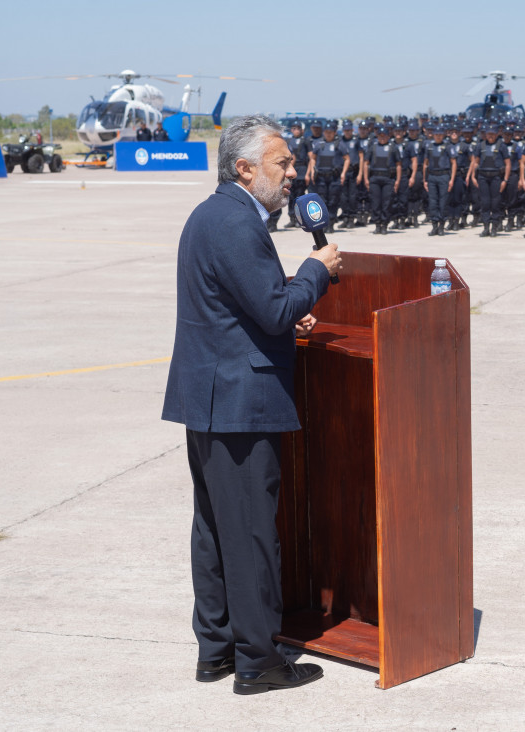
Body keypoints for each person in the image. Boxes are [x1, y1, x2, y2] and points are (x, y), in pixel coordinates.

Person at [161, 114, 341, 695]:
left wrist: (289, 301)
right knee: (251, 534)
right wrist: (315, 273)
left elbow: (248, 305)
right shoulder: (236, 221)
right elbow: (269, 311)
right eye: (282, 163)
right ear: (245, 167)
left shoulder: (218, 214)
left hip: (214, 393)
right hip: (238, 399)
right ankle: (258, 660)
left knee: (216, 529)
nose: (293, 173)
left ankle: (217, 649)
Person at [468, 125, 511, 237]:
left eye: (493, 134)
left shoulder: (501, 145)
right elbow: (475, 162)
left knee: (495, 203)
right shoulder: (480, 145)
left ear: (497, 134)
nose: (490, 136)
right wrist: (473, 176)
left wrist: (505, 180)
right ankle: (486, 227)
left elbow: (508, 164)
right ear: (485, 134)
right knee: (485, 203)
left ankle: (494, 228)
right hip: (483, 177)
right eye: (488, 134)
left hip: (496, 177)